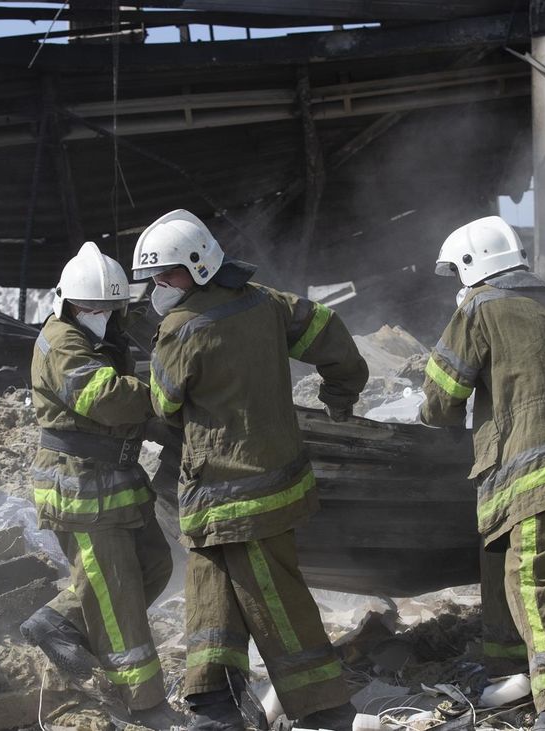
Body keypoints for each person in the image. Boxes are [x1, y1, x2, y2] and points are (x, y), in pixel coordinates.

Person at [132, 209, 369, 731]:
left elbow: (166, 404)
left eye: (166, 273)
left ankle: (326, 707)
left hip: (233, 491)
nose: (157, 284)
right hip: (258, 485)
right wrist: (341, 390)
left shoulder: (178, 329)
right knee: (209, 588)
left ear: (197, 268)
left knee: (272, 597)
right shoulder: (265, 301)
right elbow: (327, 329)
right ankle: (214, 704)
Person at [420, 215, 545, 731]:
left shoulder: (481, 305)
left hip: (529, 461)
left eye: (458, 271)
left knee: (530, 579)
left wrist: (440, 418)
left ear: (473, 264)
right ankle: (510, 667)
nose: (458, 281)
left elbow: (440, 396)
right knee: (510, 564)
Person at [19, 242, 180, 728]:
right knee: (118, 598)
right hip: (80, 489)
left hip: (113, 483)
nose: (103, 316)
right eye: (93, 307)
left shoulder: (101, 338)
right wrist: (169, 388)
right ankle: (147, 704)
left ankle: (56, 621)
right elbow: (106, 399)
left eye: (111, 308)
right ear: (68, 303)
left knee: (153, 565)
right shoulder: (62, 342)